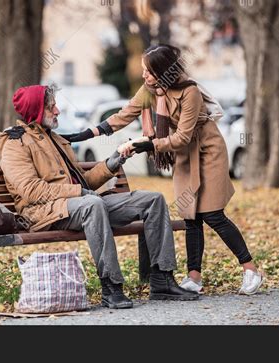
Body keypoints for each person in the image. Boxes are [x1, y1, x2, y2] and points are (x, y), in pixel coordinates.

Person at [61, 44, 263, 295]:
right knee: (191, 217)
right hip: (184, 158)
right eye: (144, 70)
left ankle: (251, 270)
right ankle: (194, 278)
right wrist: (80, 135)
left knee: (212, 214)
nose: (144, 75)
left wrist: (146, 143)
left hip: (207, 152)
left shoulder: (190, 92)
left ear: (163, 70)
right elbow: (123, 115)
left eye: (148, 70)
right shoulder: (150, 90)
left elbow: (183, 137)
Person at [0, 83, 198, 309]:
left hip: (80, 205)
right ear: (35, 111)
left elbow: (83, 183)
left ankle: (162, 280)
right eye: (51, 107)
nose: (57, 111)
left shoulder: (55, 139)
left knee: (153, 200)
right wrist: (79, 192)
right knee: (92, 204)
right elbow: (31, 190)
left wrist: (114, 162)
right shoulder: (15, 142)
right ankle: (111, 287)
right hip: (44, 212)